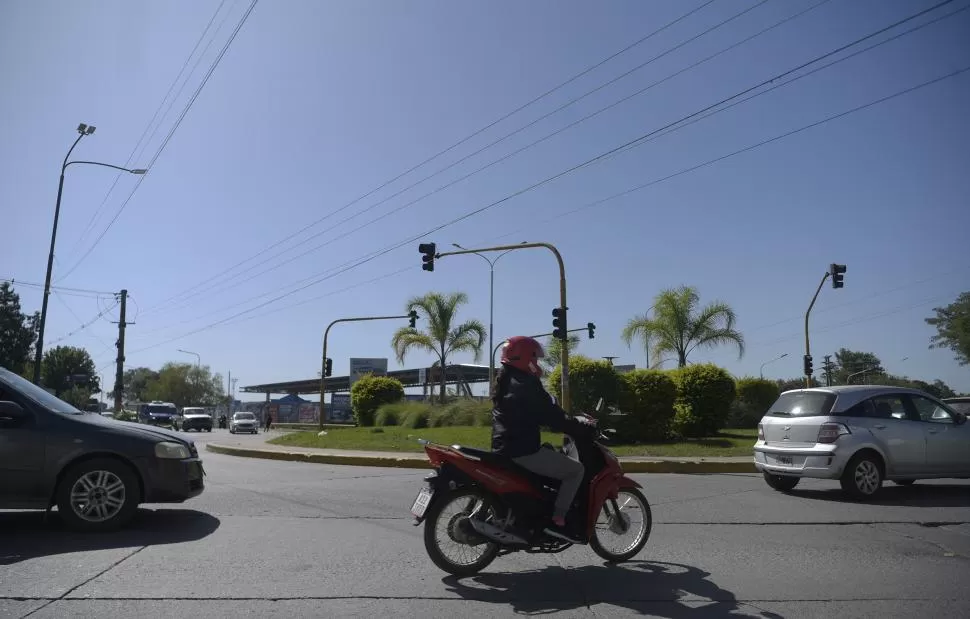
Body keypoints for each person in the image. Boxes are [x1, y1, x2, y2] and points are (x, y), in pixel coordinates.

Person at [491, 335, 592, 543]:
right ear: (524, 357)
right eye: (535, 358)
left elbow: (539, 413)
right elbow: (551, 415)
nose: (537, 363)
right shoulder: (526, 384)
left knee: (550, 454)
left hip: (503, 447)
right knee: (576, 470)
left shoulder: (505, 379)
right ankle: (558, 519)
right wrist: (579, 426)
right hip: (523, 450)